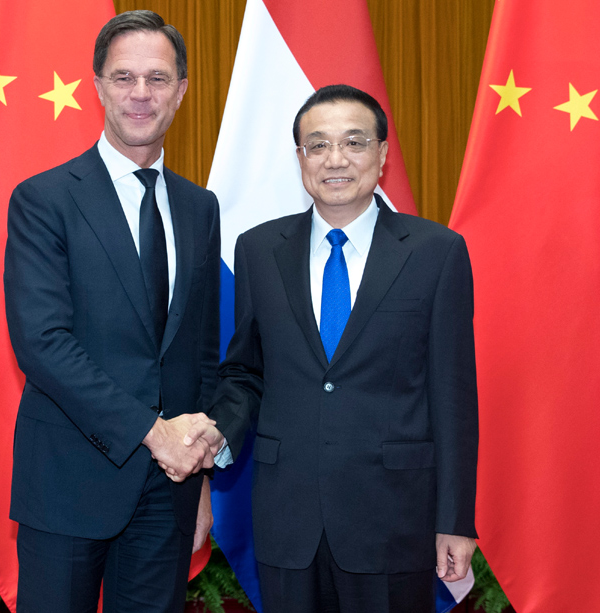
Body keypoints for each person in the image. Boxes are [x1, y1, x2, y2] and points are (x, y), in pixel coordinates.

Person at [178, 84, 479, 612]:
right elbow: (246, 371)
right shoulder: (258, 249)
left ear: (382, 155)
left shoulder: (437, 252)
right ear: (300, 158)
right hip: (288, 519)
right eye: (317, 145)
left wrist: (455, 520)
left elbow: (452, 397)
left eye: (354, 142)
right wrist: (217, 431)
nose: (335, 159)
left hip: (394, 519)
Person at [3, 10, 220, 613]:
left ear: (181, 91)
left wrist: (200, 478)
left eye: (157, 78)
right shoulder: (44, 199)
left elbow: (200, 353)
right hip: (69, 482)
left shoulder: (200, 208)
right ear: (97, 86)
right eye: (124, 77)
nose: (140, 94)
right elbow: (43, 344)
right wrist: (155, 434)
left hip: (169, 492)